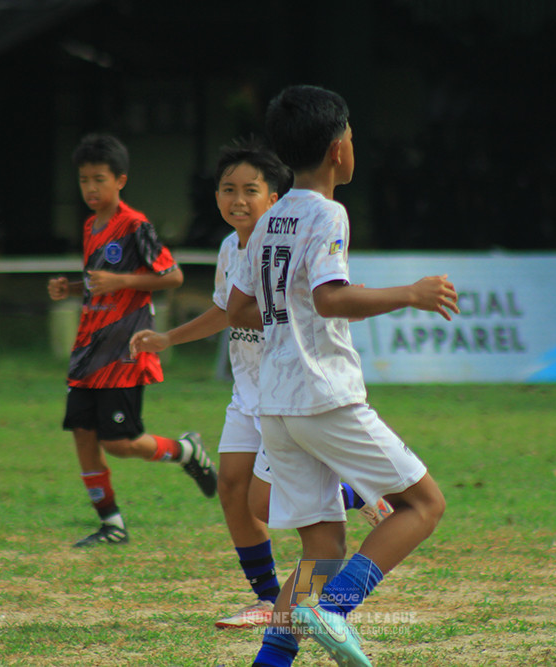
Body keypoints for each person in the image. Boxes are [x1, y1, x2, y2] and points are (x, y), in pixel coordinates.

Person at [226, 85, 458, 667]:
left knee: (321, 552)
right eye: (352, 136)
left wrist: (288, 313)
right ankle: (335, 610)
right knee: (423, 505)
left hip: (275, 405)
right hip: (322, 396)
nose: (355, 146)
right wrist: (411, 293)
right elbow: (331, 299)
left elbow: (238, 308)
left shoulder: (271, 216)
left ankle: (271, 661)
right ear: (336, 149)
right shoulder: (328, 212)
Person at [129, 137, 392, 630]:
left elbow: (319, 299)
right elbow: (226, 312)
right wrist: (168, 338)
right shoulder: (231, 247)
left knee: (264, 500)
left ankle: (356, 499)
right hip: (248, 387)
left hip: (290, 389)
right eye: (227, 189)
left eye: (251, 189)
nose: (238, 200)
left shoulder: (292, 236)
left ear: (276, 197)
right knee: (232, 488)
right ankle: (270, 598)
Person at [48, 133, 217, 549]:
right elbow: (98, 286)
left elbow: (172, 276)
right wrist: (70, 288)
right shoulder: (90, 226)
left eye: (99, 179)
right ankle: (112, 524)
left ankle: (185, 451)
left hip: (124, 351)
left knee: (120, 444)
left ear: (120, 180)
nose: (90, 188)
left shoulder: (135, 226)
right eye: (84, 180)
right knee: (84, 436)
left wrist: (122, 280)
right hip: (88, 351)